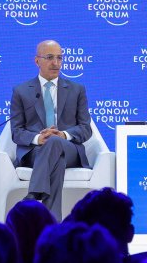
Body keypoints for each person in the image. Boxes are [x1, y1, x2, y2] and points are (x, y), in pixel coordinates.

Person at [8, 39, 92, 219]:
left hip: (69, 149)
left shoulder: (77, 89)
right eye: (50, 57)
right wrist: (38, 138)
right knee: (56, 160)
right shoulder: (21, 91)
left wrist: (63, 134)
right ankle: (52, 223)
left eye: (59, 58)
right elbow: (16, 132)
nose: (56, 63)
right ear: (37, 61)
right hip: (35, 151)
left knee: (55, 142)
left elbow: (85, 129)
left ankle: (33, 195)